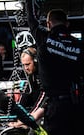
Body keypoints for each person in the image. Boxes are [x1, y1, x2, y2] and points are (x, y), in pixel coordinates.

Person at [26, 0, 84, 134]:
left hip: (55, 108)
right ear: (67, 24)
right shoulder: (79, 45)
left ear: (48, 24)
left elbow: (32, 20)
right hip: (77, 106)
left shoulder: (44, 38)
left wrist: (29, 3)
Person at [8, 47, 46, 134]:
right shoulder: (31, 75)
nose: (26, 68)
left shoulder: (44, 75)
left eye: (28, 64)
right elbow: (24, 96)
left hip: (49, 110)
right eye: (23, 65)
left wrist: (25, 120)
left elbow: (42, 100)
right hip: (38, 112)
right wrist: (16, 115)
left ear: (36, 62)